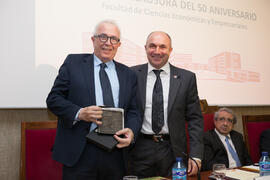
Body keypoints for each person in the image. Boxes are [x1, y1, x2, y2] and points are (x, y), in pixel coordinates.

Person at [46, 20, 141, 180]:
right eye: (103, 37)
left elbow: (134, 111)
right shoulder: (73, 63)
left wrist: (131, 131)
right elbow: (53, 99)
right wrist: (79, 113)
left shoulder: (128, 74)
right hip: (80, 152)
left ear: (119, 44)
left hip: (115, 152)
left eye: (113, 39)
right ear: (93, 40)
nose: (108, 43)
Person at [128, 31, 204, 178]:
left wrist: (196, 155)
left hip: (174, 151)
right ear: (145, 48)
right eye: (152, 46)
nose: (157, 51)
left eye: (162, 47)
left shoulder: (187, 78)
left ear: (170, 50)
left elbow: (195, 120)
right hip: (139, 149)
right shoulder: (131, 74)